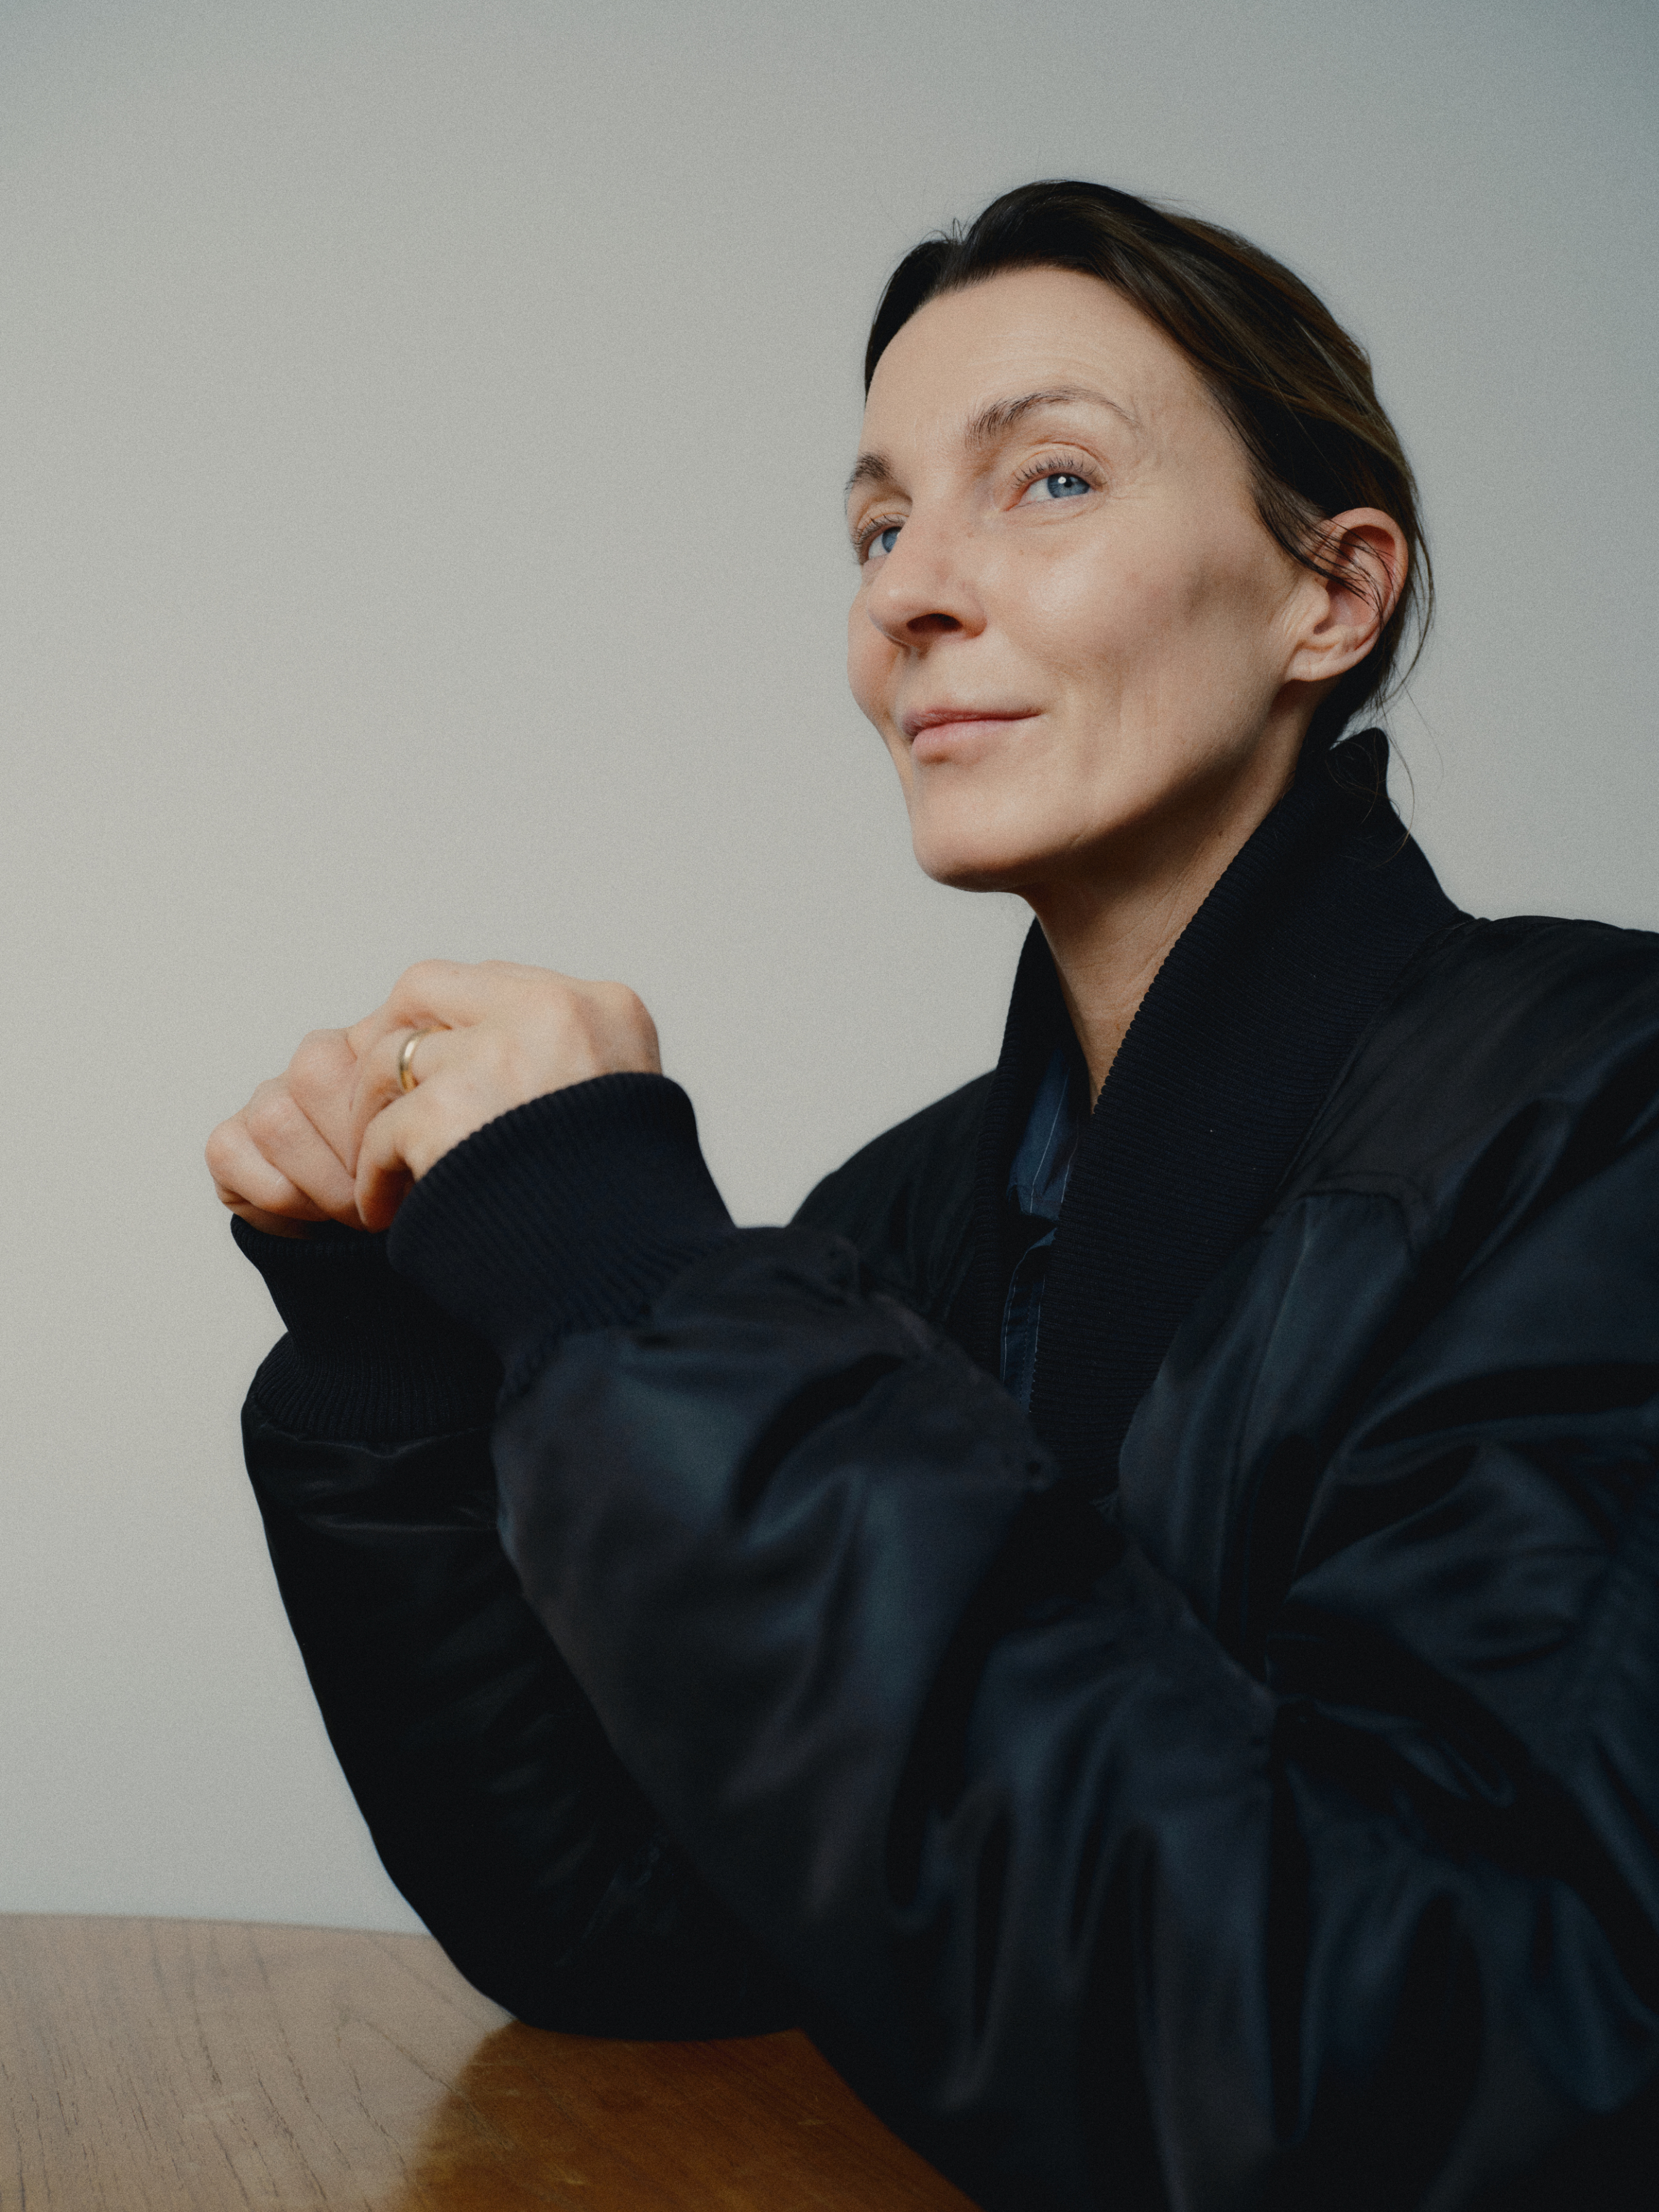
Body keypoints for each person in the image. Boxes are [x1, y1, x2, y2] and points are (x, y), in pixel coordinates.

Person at [205, 180, 1659, 2210]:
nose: (909, 594)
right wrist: (408, 1356)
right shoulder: (902, 1215)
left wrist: (634, 1276)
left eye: (1047, 480)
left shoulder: (1602, 1110)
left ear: (1327, 595)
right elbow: (652, 1928)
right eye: (876, 527)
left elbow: (1436, 2065)